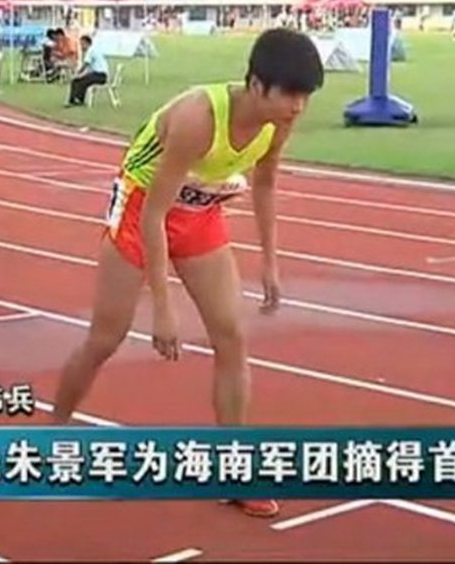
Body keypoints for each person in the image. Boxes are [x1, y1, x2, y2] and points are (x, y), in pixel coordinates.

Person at [51, 28, 325, 519]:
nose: (298, 107)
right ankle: (53, 434)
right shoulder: (199, 118)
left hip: (200, 211)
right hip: (142, 208)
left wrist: (270, 261)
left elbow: (265, 183)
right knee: (105, 338)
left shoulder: (277, 123)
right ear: (256, 84)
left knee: (232, 336)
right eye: (290, 95)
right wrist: (163, 308)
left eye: (306, 96)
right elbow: (154, 215)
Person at [66, 35, 108, 107]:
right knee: (80, 80)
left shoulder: (90, 51)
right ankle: (77, 100)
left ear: (87, 43)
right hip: (101, 75)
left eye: (82, 44)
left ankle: (76, 100)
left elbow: (86, 64)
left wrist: (77, 73)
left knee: (79, 80)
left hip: (99, 75)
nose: (81, 47)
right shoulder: (95, 49)